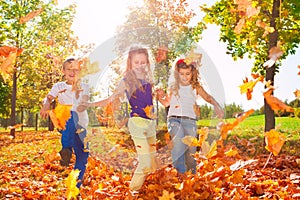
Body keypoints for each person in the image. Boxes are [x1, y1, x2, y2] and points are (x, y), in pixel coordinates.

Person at [81, 46, 157, 191]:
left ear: (147, 63)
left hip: (151, 124)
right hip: (137, 123)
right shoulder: (126, 81)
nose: (140, 65)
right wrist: (90, 104)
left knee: (152, 160)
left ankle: (148, 186)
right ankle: (132, 191)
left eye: (143, 62)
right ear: (130, 63)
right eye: (137, 62)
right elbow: (111, 99)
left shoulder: (148, 81)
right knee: (146, 161)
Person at [157, 58, 224, 174]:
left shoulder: (195, 86)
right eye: (181, 74)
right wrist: (159, 97)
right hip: (174, 119)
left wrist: (217, 106)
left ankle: (192, 175)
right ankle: (180, 174)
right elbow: (166, 102)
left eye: (187, 74)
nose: (184, 77)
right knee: (178, 142)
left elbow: (207, 97)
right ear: (177, 74)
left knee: (191, 149)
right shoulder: (173, 87)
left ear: (192, 73)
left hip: (190, 121)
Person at [40, 58, 89, 193]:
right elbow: (49, 97)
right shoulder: (59, 86)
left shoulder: (84, 87)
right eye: (69, 69)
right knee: (71, 115)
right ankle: (66, 148)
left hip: (81, 124)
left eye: (76, 69)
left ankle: (75, 188)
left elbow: (84, 102)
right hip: (65, 120)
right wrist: (46, 104)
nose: (73, 72)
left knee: (83, 155)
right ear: (63, 71)